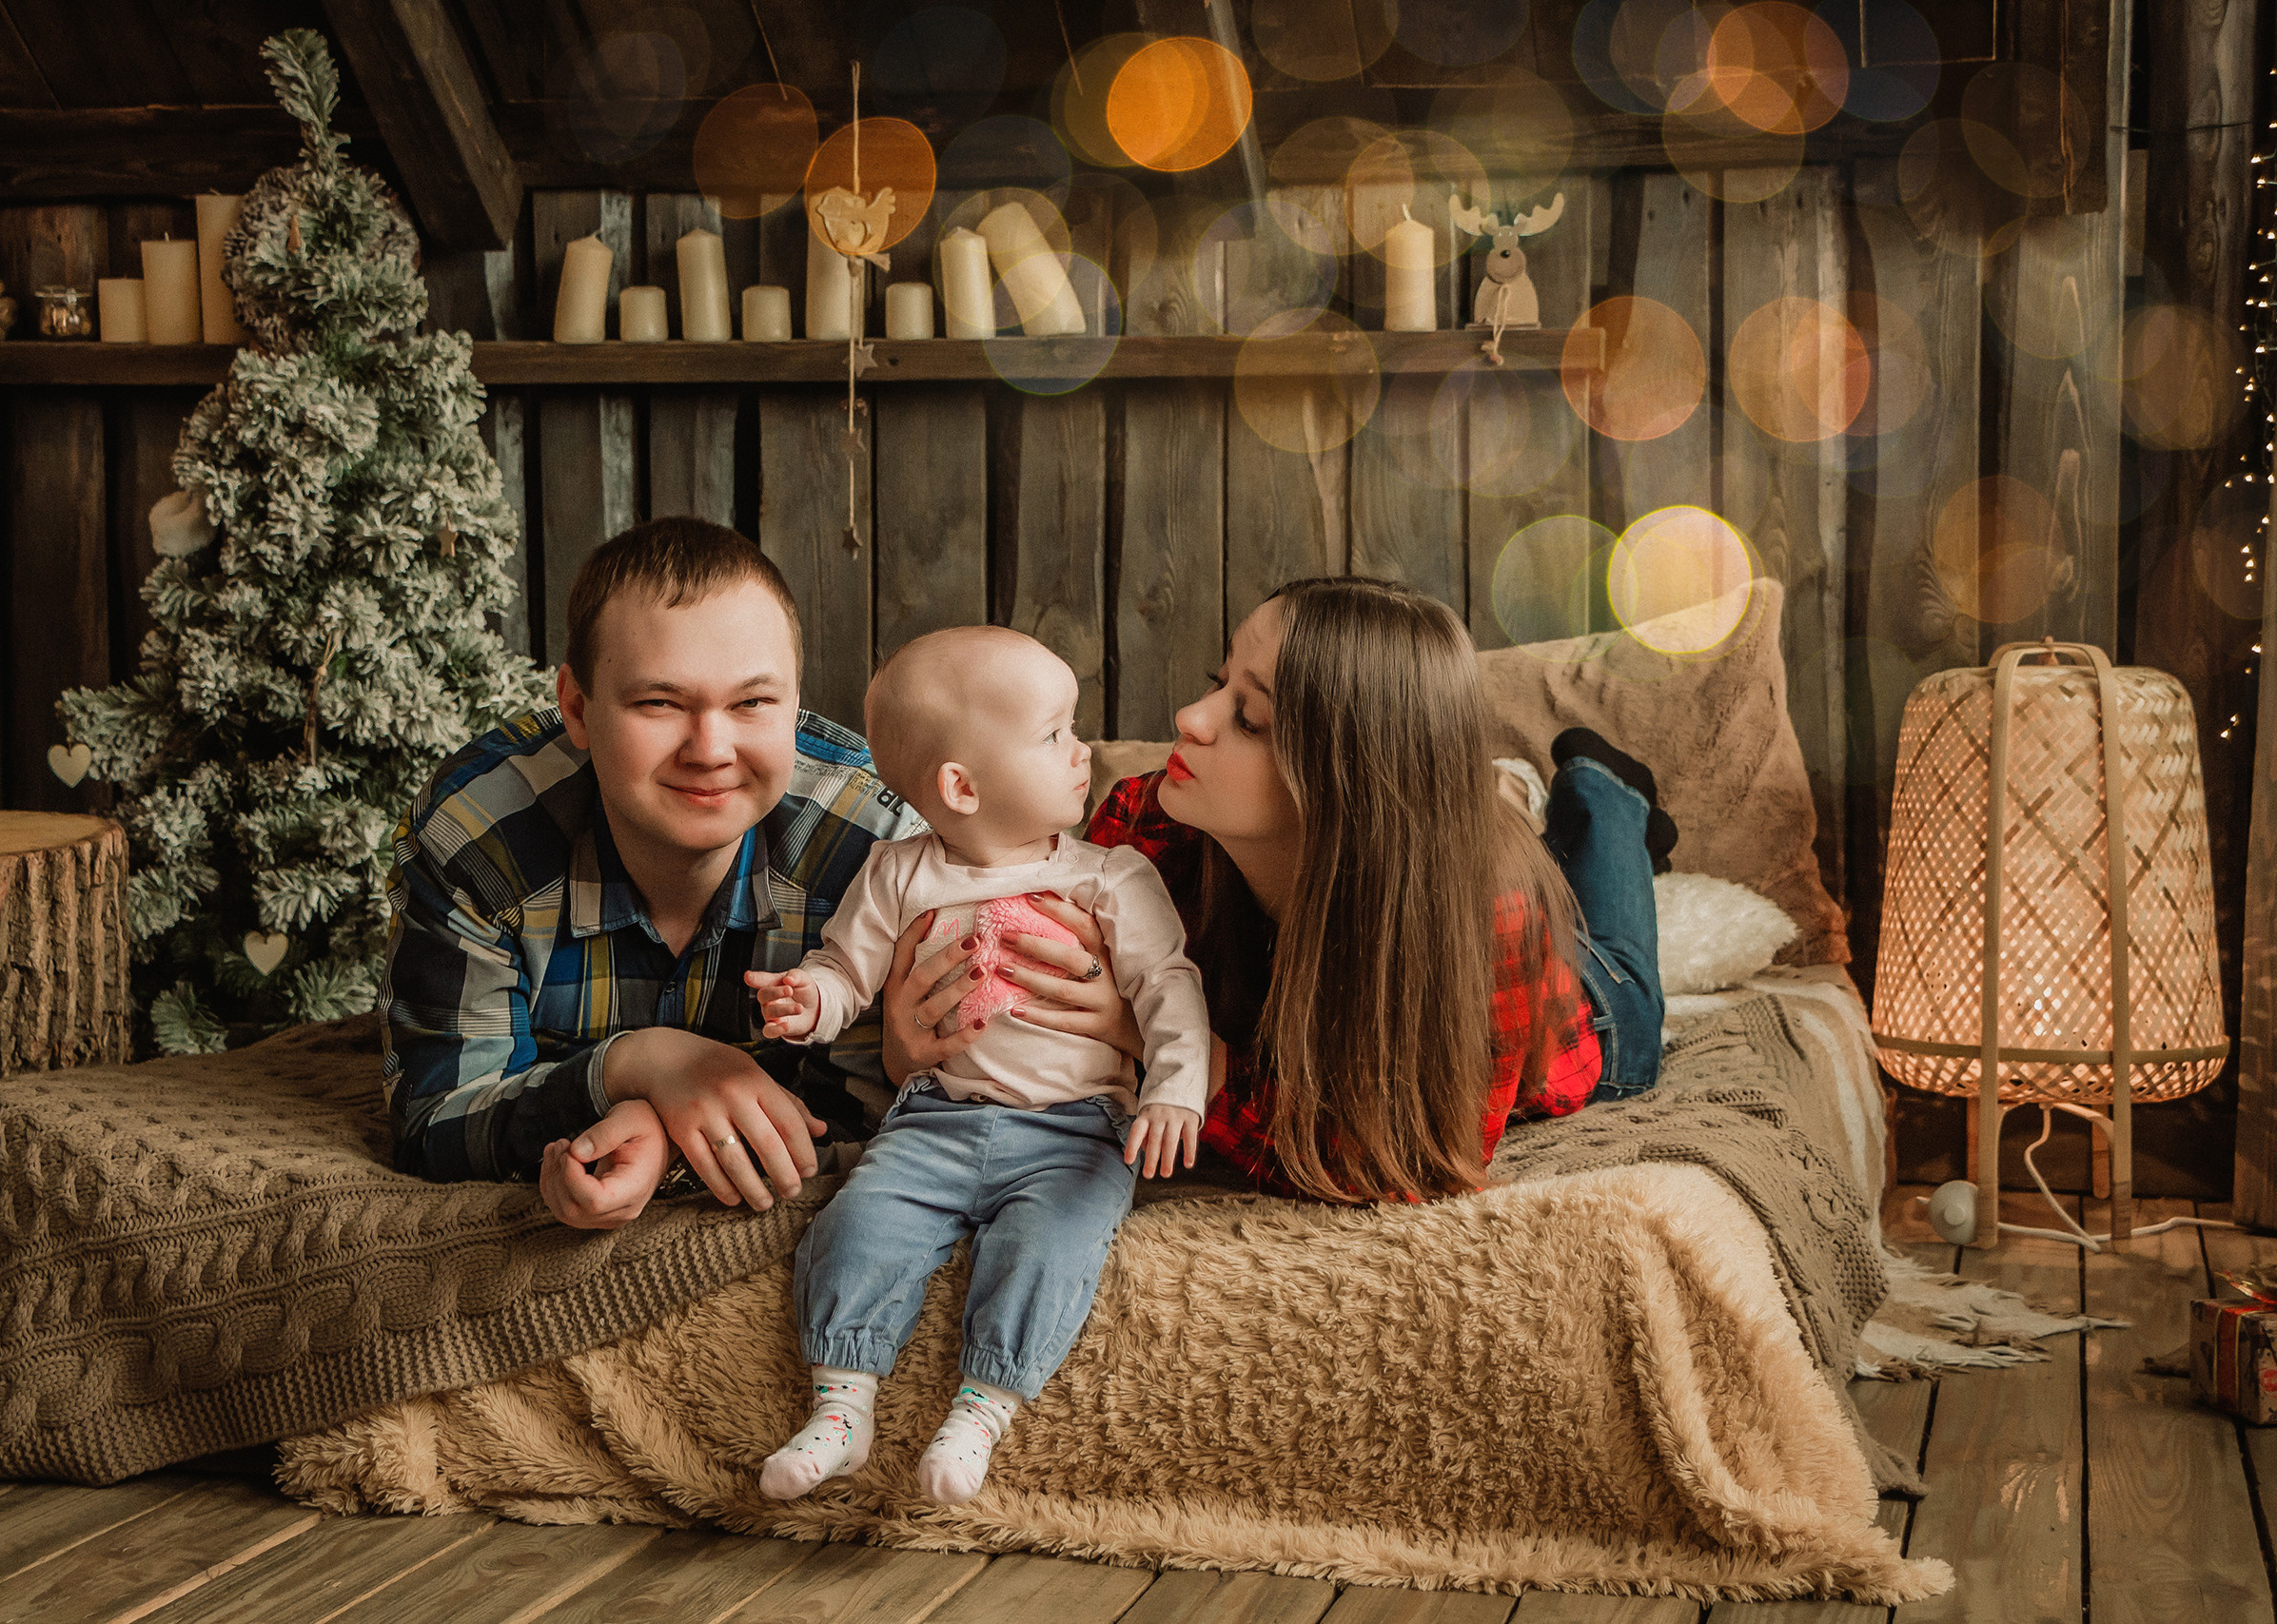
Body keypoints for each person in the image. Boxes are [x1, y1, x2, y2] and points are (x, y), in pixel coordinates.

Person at [379, 517, 1121, 1227]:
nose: (710, 749)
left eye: (753, 702)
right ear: (576, 706)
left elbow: (884, 1114)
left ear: (796, 705)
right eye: (659, 702)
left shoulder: (885, 848)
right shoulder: (481, 838)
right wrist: (638, 1065)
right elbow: (434, 1119)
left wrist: (666, 1136)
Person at [874, 576, 1673, 1204]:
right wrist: (908, 1052)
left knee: (1621, 975)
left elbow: (1407, 1164)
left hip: (1582, 1017)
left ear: (1346, 785)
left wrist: (1149, 1036)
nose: (1190, 717)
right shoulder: (1144, 828)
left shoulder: (1488, 916)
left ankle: (1604, 785)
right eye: (1218, 681)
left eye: (1248, 717)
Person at [744, 625, 1208, 1505]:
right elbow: (848, 967)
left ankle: (979, 1412)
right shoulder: (898, 874)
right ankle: (841, 1409)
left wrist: (1176, 1089)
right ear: (961, 786)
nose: (1084, 751)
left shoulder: (1108, 878)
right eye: (1055, 734)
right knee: (854, 1225)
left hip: (1076, 1131)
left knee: (1049, 1244)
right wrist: (811, 998)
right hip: (935, 1120)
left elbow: (1168, 988)